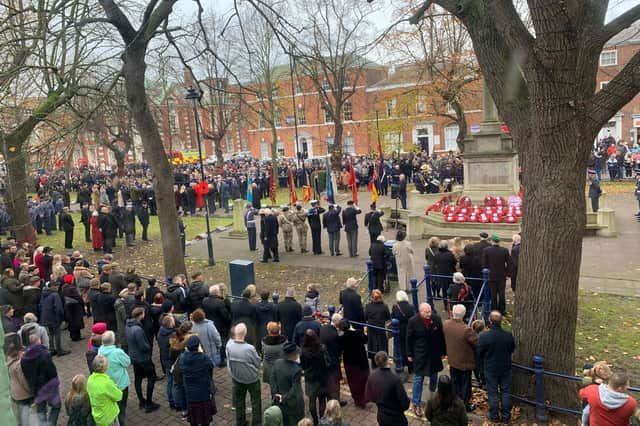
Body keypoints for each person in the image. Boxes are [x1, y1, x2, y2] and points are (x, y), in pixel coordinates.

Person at [406, 303, 446, 417]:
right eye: (426, 312)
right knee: (418, 379)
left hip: (434, 354)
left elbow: (441, 336)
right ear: (420, 312)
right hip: (420, 355)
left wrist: (443, 352)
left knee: (434, 376)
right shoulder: (413, 321)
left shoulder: (436, 319)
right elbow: (408, 338)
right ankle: (416, 403)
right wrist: (409, 354)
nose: (429, 314)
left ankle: (432, 395)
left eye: (430, 311)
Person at [477, 311, 515, 424]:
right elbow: (511, 349)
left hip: (491, 368)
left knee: (493, 392)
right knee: (506, 391)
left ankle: (494, 416)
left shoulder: (484, 336)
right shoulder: (508, 335)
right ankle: (506, 417)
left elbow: (479, 353)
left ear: (490, 320)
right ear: (500, 321)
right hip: (505, 367)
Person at [443, 304, 478, 411]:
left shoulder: (446, 324)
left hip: (453, 360)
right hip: (464, 363)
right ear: (464, 314)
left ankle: (454, 401)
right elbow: (477, 342)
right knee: (465, 385)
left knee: (454, 382)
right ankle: (465, 405)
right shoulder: (466, 330)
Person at [226, 323, 262, 426]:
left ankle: (240, 422)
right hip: (252, 379)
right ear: (245, 334)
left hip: (237, 378)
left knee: (239, 401)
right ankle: (256, 423)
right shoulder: (249, 348)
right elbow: (257, 363)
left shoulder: (229, 345)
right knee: (255, 401)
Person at [21, 334, 62, 425]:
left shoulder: (24, 358)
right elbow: (52, 372)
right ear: (38, 341)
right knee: (56, 406)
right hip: (48, 386)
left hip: (35, 387)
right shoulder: (44, 354)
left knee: (41, 409)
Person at [126, 306, 159, 412]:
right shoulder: (138, 329)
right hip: (143, 358)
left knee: (138, 379)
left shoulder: (127, 326)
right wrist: (148, 346)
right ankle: (149, 403)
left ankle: (141, 401)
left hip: (134, 358)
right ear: (140, 315)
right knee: (152, 377)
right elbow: (144, 346)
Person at [179, 335, 217, 426]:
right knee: (205, 420)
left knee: (193, 419)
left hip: (190, 393)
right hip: (203, 393)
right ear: (198, 346)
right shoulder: (203, 358)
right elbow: (211, 366)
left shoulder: (182, 358)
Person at [365, 351, 410, 426]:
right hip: (397, 419)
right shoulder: (395, 380)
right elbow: (405, 404)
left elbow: (370, 397)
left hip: (381, 417)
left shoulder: (371, 376)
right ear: (387, 361)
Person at [98, 331, 131, 426]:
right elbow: (127, 362)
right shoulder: (117, 352)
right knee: (121, 408)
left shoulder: (100, 351)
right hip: (120, 384)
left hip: (108, 385)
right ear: (113, 340)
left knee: (113, 406)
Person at [271, 342, 305, 426]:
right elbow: (295, 389)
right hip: (293, 404)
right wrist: (284, 397)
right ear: (293, 355)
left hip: (279, 401)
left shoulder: (277, 362)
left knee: (284, 421)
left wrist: (276, 394)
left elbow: (272, 379)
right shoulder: (296, 370)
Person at [300, 330, 330, 425]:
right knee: (322, 400)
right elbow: (328, 362)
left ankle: (315, 421)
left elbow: (303, 366)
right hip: (321, 378)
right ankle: (322, 420)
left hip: (310, 379)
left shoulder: (303, 351)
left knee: (312, 401)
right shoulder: (322, 348)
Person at [339, 320, 369, 408]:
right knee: (363, 380)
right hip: (361, 362)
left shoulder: (342, 338)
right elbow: (366, 340)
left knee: (353, 382)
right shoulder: (358, 333)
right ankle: (364, 399)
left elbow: (340, 348)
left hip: (350, 363)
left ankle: (357, 400)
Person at [5, 335, 33, 426]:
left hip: (15, 392)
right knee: (26, 414)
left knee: (20, 412)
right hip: (23, 394)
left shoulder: (8, 360)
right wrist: (31, 391)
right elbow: (23, 381)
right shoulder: (18, 366)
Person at [87, 355, 123, 426]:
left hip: (97, 416)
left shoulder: (90, 379)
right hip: (109, 416)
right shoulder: (107, 383)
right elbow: (119, 396)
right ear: (104, 368)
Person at [482, 235, 514, 315]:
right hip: (502, 275)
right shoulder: (504, 250)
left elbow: (484, 264)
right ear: (499, 241)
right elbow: (509, 263)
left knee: (493, 294)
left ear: (492, 241)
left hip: (491, 275)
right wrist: (507, 274)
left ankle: (494, 310)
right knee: (501, 293)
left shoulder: (486, 250)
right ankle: (502, 311)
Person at [202, 284, 231, 365]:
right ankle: (221, 359)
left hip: (209, 324)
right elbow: (225, 316)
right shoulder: (220, 303)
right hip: (221, 326)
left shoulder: (205, 301)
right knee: (222, 342)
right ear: (217, 292)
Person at [319, 313, 344, 405]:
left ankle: (329, 398)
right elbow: (338, 349)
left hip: (324, 360)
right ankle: (336, 401)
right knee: (335, 382)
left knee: (328, 381)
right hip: (333, 361)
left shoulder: (324, 328)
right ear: (338, 323)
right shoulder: (335, 334)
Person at [41, 281, 70, 356]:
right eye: (56, 286)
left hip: (46, 316)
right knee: (57, 333)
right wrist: (61, 316)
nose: (57, 288)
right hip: (54, 317)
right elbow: (59, 308)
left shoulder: (44, 294)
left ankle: (52, 349)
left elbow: (40, 305)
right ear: (52, 286)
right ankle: (59, 350)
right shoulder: (55, 295)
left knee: (50, 333)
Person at [364, 289, 390, 369]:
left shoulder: (368, 306)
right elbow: (388, 318)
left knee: (372, 347)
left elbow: (365, 317)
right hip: (380, 330)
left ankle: (374, 365)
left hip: (371, 330)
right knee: (382, 346)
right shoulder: (384, 307)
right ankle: (383, 363)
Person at [391, 290, 415, 374]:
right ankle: (411, 367)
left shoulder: (395, 307)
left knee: (400, 347)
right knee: (409, 347)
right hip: (409, 330)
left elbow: (392, 317)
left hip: (399, 331)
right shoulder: (411, 307)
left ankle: (401, 364)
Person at [262, 321, 287, 391]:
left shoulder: (264, 342)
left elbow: (263, 352)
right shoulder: (284, 341)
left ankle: (275, 399)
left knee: (273, 387)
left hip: (269, 369)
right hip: (282, 367)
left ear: (269, 331)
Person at [62, 274, 85, 341]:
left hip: (68, 307)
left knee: (71, 322)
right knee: (76, 322)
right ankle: (77, 337)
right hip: (75, 307)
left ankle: (72, 336)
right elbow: (78, 298)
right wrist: (81, 302)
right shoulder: (72, 288)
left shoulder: (64, 287)